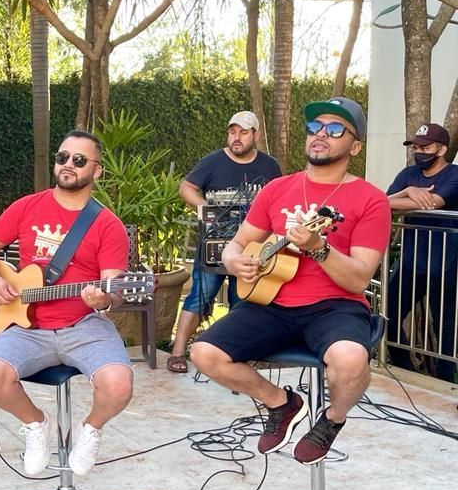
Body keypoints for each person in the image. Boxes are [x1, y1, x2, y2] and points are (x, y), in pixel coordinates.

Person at [190, 97, 391, 464]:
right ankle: (281, 404)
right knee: (204, 353)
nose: (320, 135)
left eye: (334, 130)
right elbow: (237, 244)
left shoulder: (371, 200)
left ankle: (331, 420)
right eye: (315, 128)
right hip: (271, 304)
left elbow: (359, 278)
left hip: (336, 307)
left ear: (355, 145)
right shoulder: (277, 188)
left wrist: (319, 248)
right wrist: (236, 263)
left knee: (349, 360)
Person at [0, 130, 133, 477]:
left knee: (119, 384)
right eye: (63, 157)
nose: (68, 165)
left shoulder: (108, 225)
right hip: (27, 328)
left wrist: (103, 297)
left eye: (79, 160)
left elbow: (115, 288)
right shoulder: (28, 205)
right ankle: (36, 424)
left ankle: (90, 430)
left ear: (97, 170)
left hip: (83, 324)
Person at [167, 110, 282, 374]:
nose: (237, 138)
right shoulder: (212, 162)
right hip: (214, 244)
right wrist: (207, 211)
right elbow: (186, 187)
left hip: (252, 248)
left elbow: (279, 198)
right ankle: (177, 352)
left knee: (243, 302)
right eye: (233, 132)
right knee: (200, 297)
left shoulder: (270, 166)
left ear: (256, 135)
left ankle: (236, 356)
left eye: (243, 132)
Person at [384, 123, 458, 381]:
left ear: (442, 149)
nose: (419, 152)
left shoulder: (454, 175)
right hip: (411, 258)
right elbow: (382, 202)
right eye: (416, 147)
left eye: (425, 147)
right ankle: (406, 371)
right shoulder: (409, 174)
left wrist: (398, 200)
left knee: (444, 327)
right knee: (388, 315)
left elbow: (435, 203)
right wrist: (408, 193)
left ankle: (446, 382)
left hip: (445, 261)